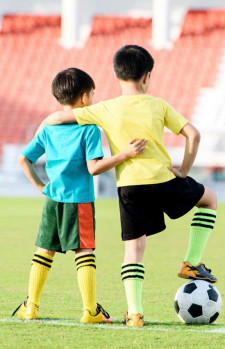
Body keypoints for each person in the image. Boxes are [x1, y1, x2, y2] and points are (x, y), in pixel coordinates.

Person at [38, 45, 218, 327]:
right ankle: (192, 262)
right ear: (147, 76)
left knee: (134, 250)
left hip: (130, 187)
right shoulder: (158, 104)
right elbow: (193, 135)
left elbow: (58, 118)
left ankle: (134, 314)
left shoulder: (105, 108)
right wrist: (184, 169)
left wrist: (43, 126)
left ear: (115, 75)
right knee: (210, 199)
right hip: (163, 178)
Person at [13, 67, 146, 323]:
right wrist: (124, 155)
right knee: (84, 252)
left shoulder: (48, 129)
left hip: (54, 198)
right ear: (85, 98)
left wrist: (43, 188)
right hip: (80, 201)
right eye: (93, 94)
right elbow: (94, 168)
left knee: (43, 251)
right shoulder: (89, 129)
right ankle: (90, 310)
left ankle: (31, 306)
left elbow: (23, 159)